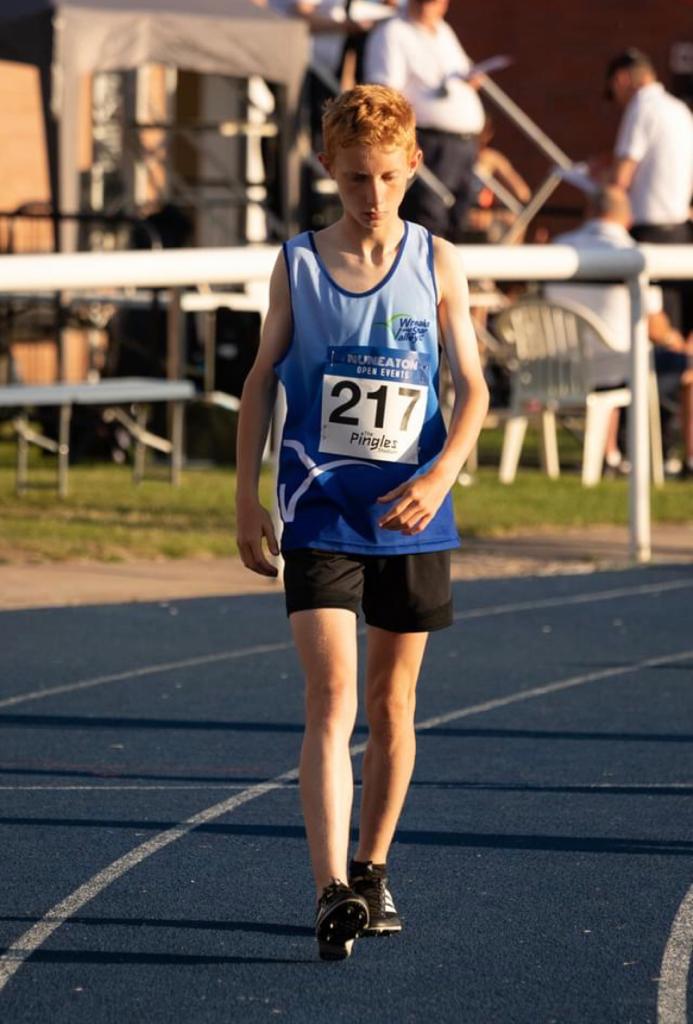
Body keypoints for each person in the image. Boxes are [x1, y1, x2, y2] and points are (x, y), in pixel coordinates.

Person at [235, 84, 488, 961]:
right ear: (326, 171)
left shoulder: (438, 260)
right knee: (331, 696)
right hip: (317, 511)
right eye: (353, 180)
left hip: (411, 516)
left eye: (385, 176)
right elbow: (260, 380)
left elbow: (473, 388)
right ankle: (328, 889)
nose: (371, 196)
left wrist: (441, 474)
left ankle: (371, 869)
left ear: (413, 164)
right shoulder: (298, 263)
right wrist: (245, 497)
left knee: (391, 701)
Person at [545, 186, 693, 475]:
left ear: (589, 211)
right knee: (687, 365)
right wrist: (675, 340)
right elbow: (656, 327)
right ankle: (690, 458)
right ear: (628, 217)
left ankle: (609, 454)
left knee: (612, 353)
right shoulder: (633, 253)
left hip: (557, 367)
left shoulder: (558, 247)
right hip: (617, 365)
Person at [363, 0, 485, 240]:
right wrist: (405, 140)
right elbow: (385, 94)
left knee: (460, 218)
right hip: (428, 142)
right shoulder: (392, 32)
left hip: (463, 144)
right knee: (429, 217)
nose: (429, 7)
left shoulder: (444, 31)